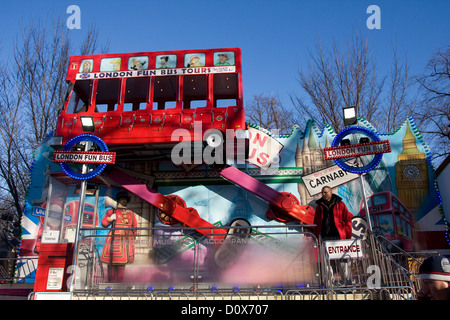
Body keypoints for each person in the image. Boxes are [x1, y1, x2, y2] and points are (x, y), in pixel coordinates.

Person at [313, 186, 354, 286]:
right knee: (326, 261)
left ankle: (346, 281)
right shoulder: (319, 206)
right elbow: (316, 222)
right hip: (325, 236)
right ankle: (329, 282)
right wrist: (316, 236)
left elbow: (347, 219)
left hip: (338, 236)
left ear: (331, 192)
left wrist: (348, 235)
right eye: (323, 192)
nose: (324, 194)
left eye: (326, 192)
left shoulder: (340, 204)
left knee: (342, 259)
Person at [100, 191, 137, 282]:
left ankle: (119, 283)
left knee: (122, 263)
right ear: (118, 200)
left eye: (125, 199)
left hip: (126, 240)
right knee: (111, 262)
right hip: (114, 238)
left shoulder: (131, 213)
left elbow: (134, 227)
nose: (124, 201)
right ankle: (111, 282)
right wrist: (110, 218)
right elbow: (104, 223)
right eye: (122, 199)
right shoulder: (111, 211)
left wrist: (134, 236)